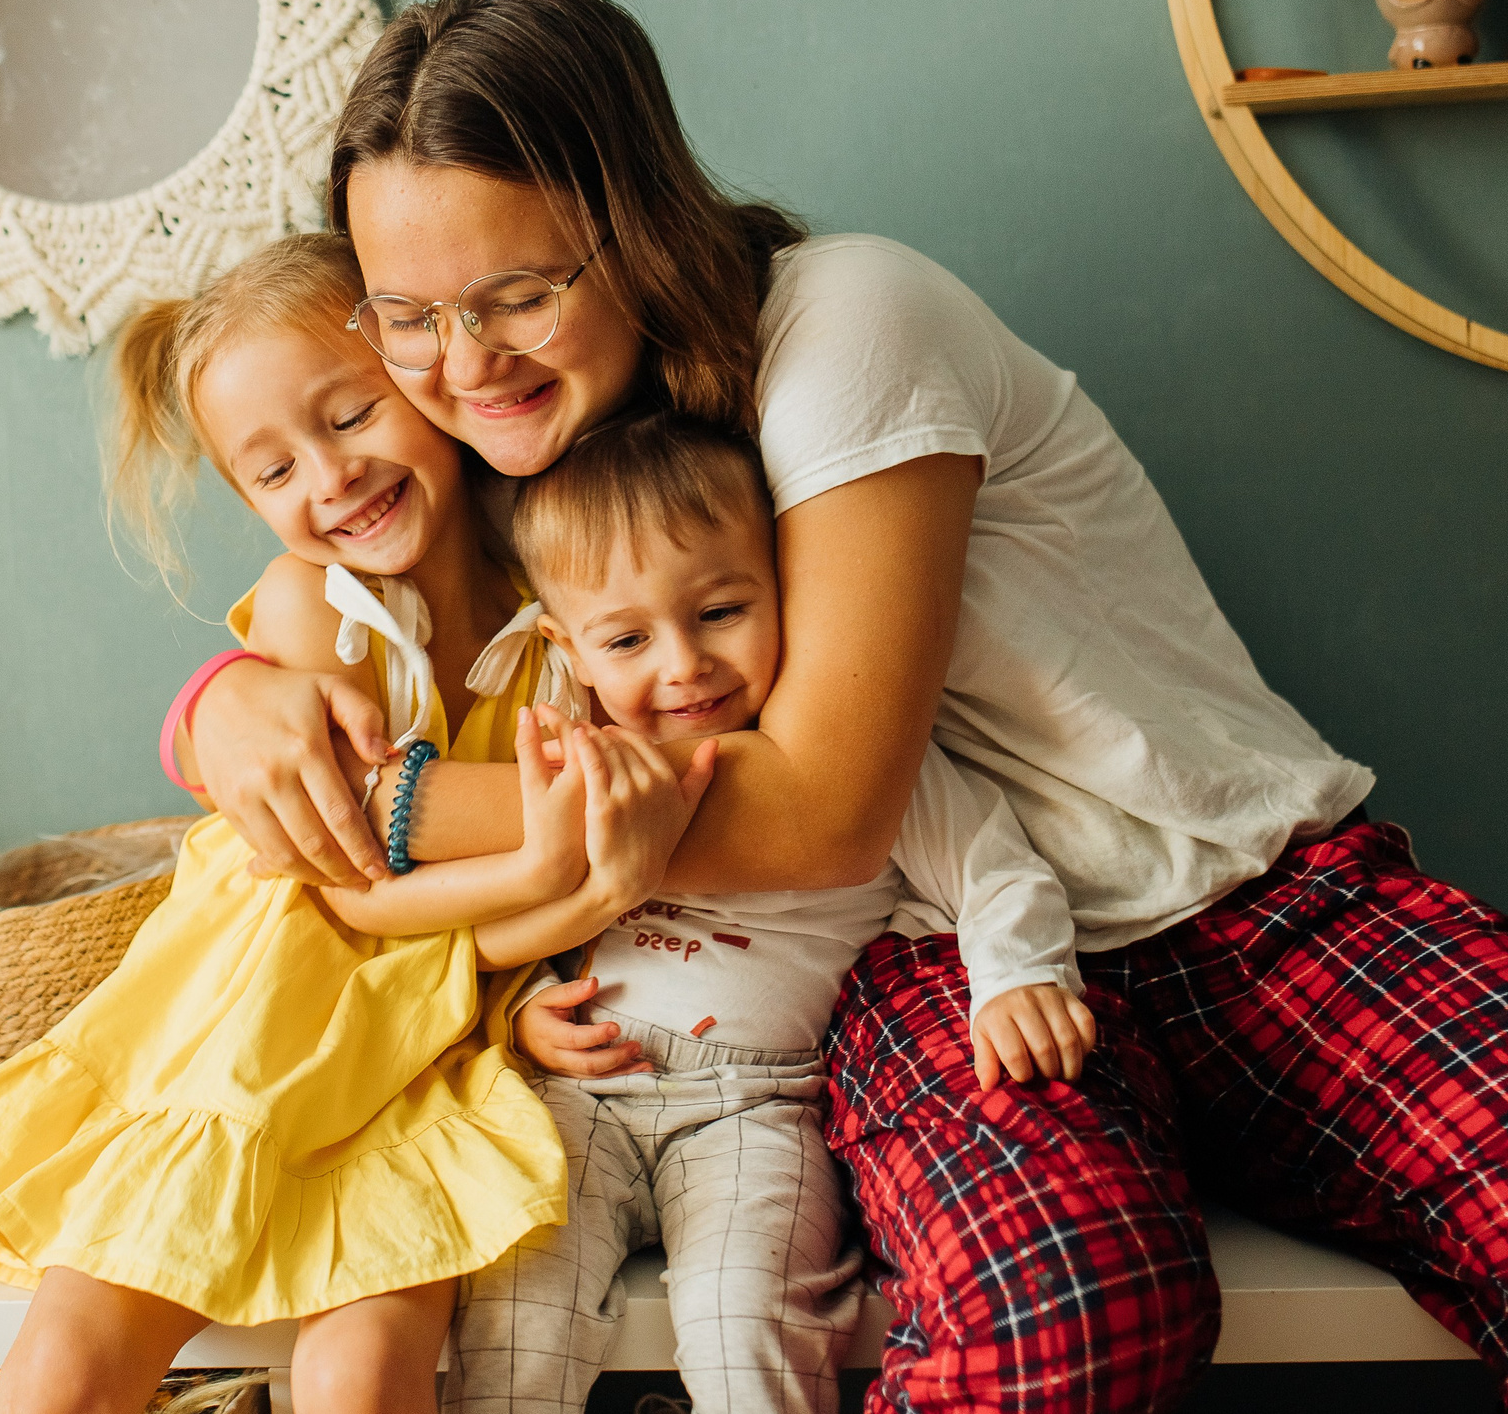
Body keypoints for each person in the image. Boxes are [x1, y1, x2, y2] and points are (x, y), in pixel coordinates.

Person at [173, 0, 1508, 1412]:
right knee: (1067, 1318)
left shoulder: (846, 323)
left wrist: (389, 804)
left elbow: (821, 807)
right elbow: (338, 613)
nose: (459, 361)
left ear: (633, 228)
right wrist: (219, 704)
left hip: (1238, 891)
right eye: (406, 314)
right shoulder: (519, 457)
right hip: (915, 954)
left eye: (514, 293)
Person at [0, 234, 715, 1414]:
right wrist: (557, 873)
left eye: (348, 415)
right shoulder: (317, 611)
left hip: (427, 1052)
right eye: (271, 471)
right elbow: (351, 900)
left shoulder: (565, 607)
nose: (327, 480)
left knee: (366, 1366)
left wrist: (540, 963)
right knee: (77, 1351)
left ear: (423, 379)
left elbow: (459, 947)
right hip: (263, 1025)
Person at [444, 411, 1093, 1414]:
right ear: (563, 646)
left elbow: (999, 870)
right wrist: (527, 1000)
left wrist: (1019, 975)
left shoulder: (859, 768)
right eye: (625, 636)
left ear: (788, 583)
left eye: (720, 610)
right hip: (578, 1095)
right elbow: (523, 909)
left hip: (756, 1104)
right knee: (515, 1315)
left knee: (743, 1316)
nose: (683, 665)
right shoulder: (575, 764)